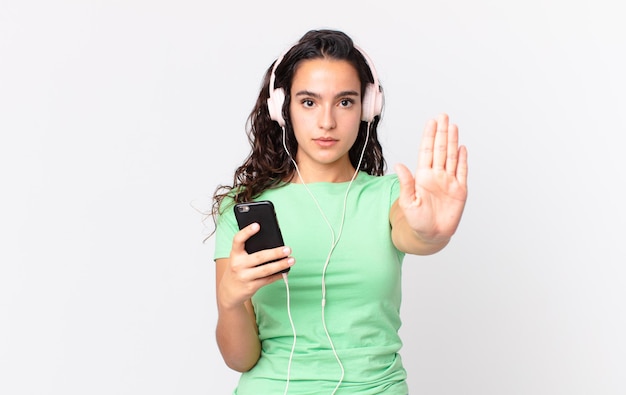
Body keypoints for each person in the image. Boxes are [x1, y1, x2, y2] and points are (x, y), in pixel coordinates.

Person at [211, 29, 468, 394]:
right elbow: (241, 359)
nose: (327, 122)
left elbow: (413, 232)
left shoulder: (391, 195)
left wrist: (432, 231)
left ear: (367, 107)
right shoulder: (242, 208)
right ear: (281, 108)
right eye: (309, 102)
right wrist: (229, 300)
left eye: (345, 102)